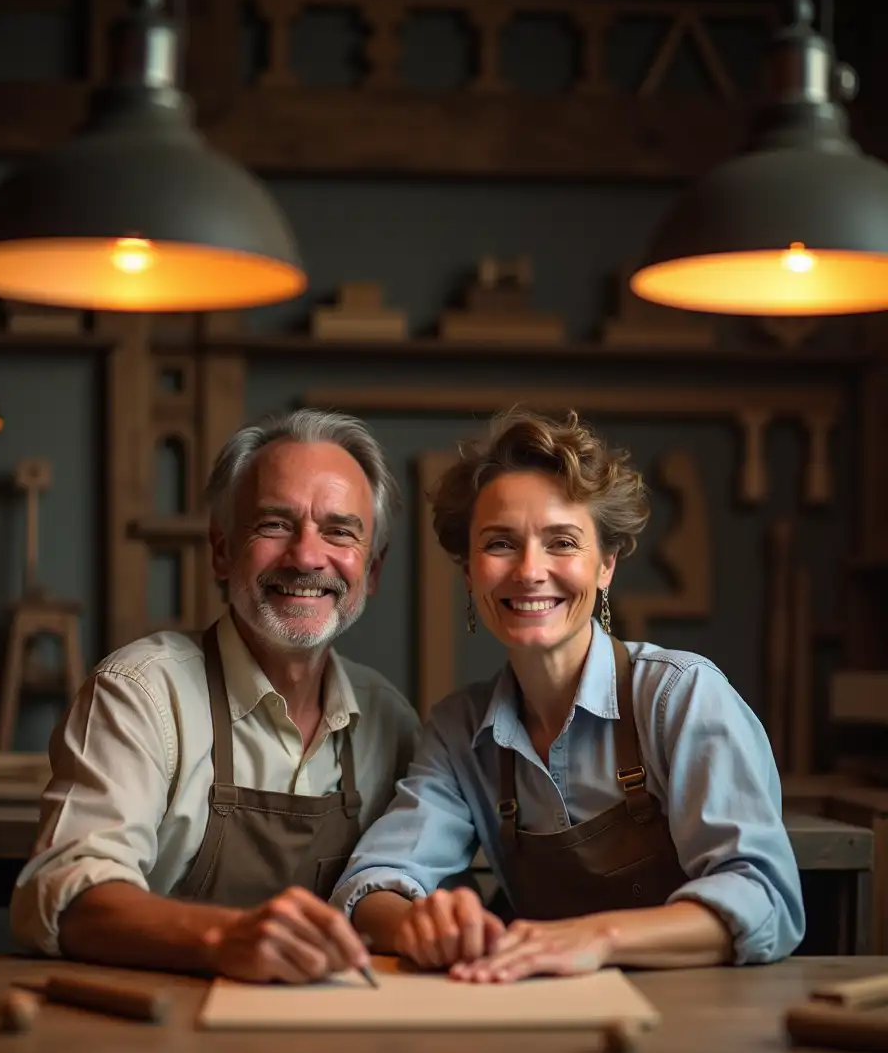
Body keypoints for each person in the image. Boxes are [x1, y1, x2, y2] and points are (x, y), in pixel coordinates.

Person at [332, 409, 805, 981]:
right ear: (468, 573)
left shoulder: (680, 696)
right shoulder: (460, 731)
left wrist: (597, 938)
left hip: (698, 1017)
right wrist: (420, 925)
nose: (530, 571)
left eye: (561, 542)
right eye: (500, 543)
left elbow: (765, 899)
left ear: (605, 564)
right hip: (547, 1019)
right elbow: (370, 882)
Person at [10, 408, 421, 984]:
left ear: (371, 571)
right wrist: (224, 937)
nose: (306, 557)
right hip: (156, 1036)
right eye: (274, 524)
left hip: (328, 1045)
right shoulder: (140, 695)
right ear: (222, 551)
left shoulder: (390, 721)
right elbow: (63, 893)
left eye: (339, 531)